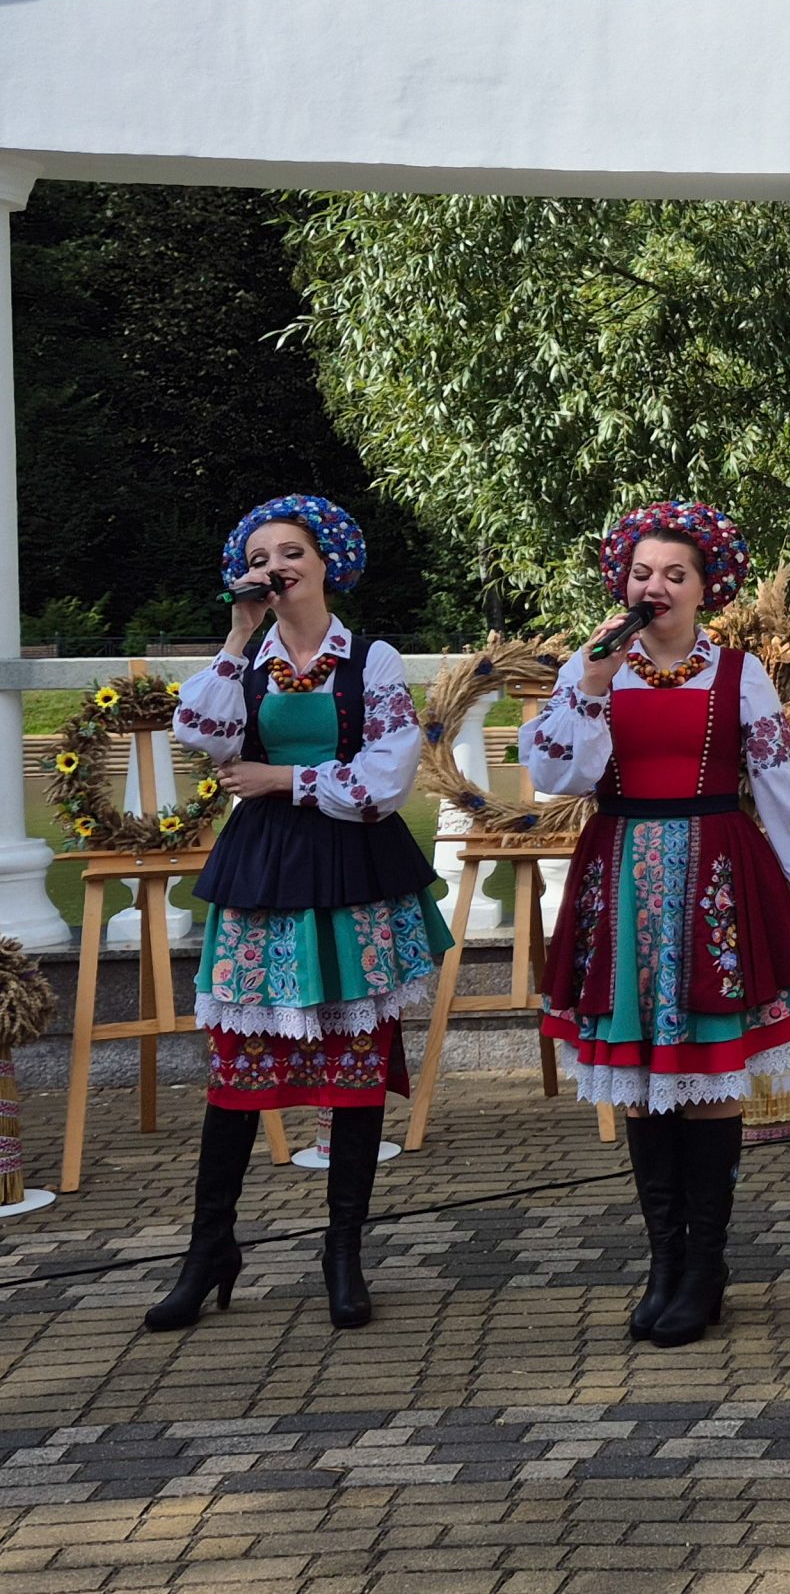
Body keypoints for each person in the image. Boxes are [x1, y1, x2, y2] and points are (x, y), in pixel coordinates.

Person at [521, 501, 790, 1349]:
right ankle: (664, 1262)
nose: (656, 586)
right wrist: (590, 687)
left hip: (713, 880)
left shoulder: (739, 675)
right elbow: (555, 775)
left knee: (708, 1075)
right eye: (642, 573)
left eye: (675, 573)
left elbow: (782, 787)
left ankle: (705, 1264)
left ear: (707, 588)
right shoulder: (594, 669)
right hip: (622, 879)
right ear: (623, 583)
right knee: (641, 1080)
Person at [147, 494, 447, 1333]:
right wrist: (238, 634)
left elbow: (386, 779)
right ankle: (210, 1247)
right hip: (264, 872)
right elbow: (199, 733)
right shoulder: (246, 660)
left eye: (290, 554)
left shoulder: (372, 659)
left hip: (351, 867)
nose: (274, 567)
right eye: (260, 557)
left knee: (355, 1063)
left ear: (325, 564)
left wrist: (284, 778)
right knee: (237, 1064)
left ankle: (342, 1252)